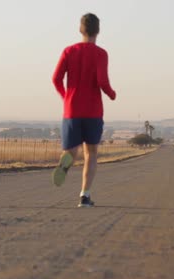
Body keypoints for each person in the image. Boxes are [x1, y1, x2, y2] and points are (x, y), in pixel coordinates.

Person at [52, 13, 116, 207]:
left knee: (71, 151)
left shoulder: (68, 51)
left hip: (71, 109)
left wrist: (66, 97)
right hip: (93, 111)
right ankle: (85, 196)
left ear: (81, 29)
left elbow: (56, 78)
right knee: (91, 154)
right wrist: (112, 94)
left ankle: (66, 162)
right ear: (98, 31)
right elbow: (102, 82)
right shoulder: (101, 53)